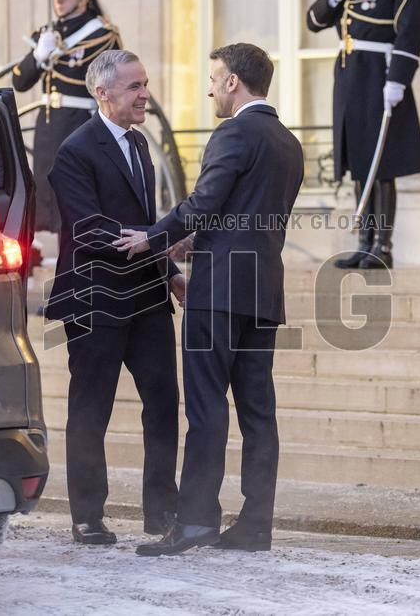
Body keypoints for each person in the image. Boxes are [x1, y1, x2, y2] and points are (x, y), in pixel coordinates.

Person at [117, 43, 305, 557]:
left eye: (214, 78)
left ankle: (197, 522)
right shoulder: (288, 142)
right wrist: (195, 240)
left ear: (233, 83)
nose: (208, 88)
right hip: (263, 289)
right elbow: (253, 217)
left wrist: (155, 237)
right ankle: (256, 525)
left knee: (206, 409)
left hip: (219, 291)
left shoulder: (233, 132)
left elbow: (204, 203)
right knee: (258, 413)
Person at [46, 50, 184, 545]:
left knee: (164, 402)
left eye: (144, 83)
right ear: (101, 93)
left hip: (146, 297)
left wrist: (168, 272)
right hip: (94, 299)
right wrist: (163, 243)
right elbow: (90, 229)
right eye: (133, 86)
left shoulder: (140, 145)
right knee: (90, 409)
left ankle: (162, 513)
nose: (144, 93)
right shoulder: (74, 151)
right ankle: (87, 515)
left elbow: (142, 220)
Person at [306, 0, 420, 269]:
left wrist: (398, 79)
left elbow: (410, 33)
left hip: (379, 74)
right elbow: (314, 21)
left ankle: (382, 246)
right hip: (350, 75)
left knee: (381, 163)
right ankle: (364, 242)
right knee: (360, 160)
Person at [12, 0, 122, 234]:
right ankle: (48, 245)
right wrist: (38, 56)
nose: (59, 2)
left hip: (79, 118)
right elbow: (20, 82)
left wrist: (55, 55)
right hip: (49, 121)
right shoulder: (48, 34)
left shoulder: (101, 35)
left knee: (75, 186)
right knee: (46, 183)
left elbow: (109, 79)